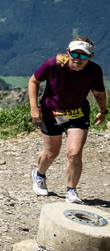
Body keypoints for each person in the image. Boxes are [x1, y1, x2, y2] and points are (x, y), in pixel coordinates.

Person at [29, 37, 107, 204]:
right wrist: (34, 107)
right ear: (68, 52)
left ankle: (71, 191)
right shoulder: (53, 65)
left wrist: (103, 111)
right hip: (51, 113)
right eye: (74, 54)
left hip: (78, 114)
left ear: (91, 56)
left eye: (84, 56)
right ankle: (40, 174)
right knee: (51, 153)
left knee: (74, 153)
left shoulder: (94, 71)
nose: (78, 59)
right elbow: (34, 81)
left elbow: (99, 93)